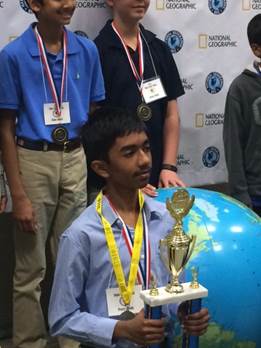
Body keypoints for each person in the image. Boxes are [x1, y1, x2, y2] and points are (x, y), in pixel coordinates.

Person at [49, 107, 209, 348]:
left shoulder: (165, 219)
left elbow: (173, 290)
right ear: (102, 168)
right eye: (129, 153)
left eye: (145, 147)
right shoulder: (81, 235)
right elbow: (61, 318)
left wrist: (185, 311)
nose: (144, 160)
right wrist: (120, 329)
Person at [0, 0, 104, 347]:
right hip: (32, 157)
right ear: (33, 4)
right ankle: (28, 341)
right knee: (31, 267)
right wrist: (19, 194)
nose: (69, 4)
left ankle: (70, 339)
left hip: (74, 155)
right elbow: (6, 127)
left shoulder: (86, 50)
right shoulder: (14, 55)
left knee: (71, 259)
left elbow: (91, 106)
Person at [93, 0, 185, 191]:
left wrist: (168, 167)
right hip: (118, 180)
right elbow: (95, 123)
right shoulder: (97, 52)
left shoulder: (158, 49)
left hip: (159, 173)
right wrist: (121, 178)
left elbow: (171, 114)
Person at [223, 14, 261, 217]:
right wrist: (242, 198)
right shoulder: (241, 89)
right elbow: (233, 147)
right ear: (256, 49)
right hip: (255, 198)